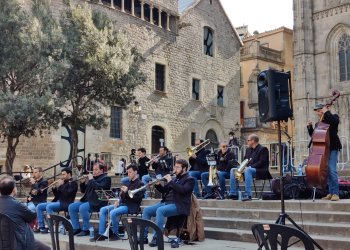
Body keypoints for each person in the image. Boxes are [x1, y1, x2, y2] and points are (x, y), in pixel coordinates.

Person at [142, 159, 194, 247]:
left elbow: (183, 190)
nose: (175, 169)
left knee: (160, 210)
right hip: (165, 203)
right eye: (175, 167)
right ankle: (143, 237)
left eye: (178, 167)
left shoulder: (190, 179)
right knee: (147, 210)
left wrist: (170, 181)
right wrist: (157, 184)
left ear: (184, 168)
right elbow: (163, 190)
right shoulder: (175, 179)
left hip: (179, 205)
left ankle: (157, 237)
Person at [92, 164, 144, 241]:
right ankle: (102, 234)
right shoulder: (127, 183)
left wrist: (126, 192)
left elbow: (137, 199)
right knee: (103, 209)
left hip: (131, 206)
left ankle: (115, 234)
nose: (128, 174)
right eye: (128, 172)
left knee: (113, 212)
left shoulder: (140, 184)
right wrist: (119, 199)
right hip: (122, 204)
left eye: (130, 172)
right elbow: (123, 196)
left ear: (135, 172)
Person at [0, 176, 50, 250]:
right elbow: (32, 217)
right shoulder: (17, 204)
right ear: (14, 190)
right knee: (46, 248)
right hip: (19, 241)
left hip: (2, 242)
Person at [307, 103, 342, 201]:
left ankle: (336, 193)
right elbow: (314, 136)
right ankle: (330, 193)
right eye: (317, 111)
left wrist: (327, 112)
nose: (318, 113)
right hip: (323, 149)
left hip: (333, 147)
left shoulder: (333, 117)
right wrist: (309, 127)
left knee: (332, 169)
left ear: (323, 109)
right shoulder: (318, 123)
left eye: (319, 110)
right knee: (327, 171)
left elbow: (335, 122)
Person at [68, 163, 111, 236]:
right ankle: (76, 228)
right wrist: (82, 183)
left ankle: (86, 229)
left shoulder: (106, 178)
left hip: (98, 201)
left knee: (83, 208)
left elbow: (100, 188)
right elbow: (83, 191)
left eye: (96, 170)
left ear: (101, 170)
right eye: (93, 169)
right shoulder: (93, 179)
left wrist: (91, 179)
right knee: (71, 207)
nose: (94, 171)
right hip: (87, 200)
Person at [36, 168, 78, 233]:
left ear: (69, 174)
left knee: (49, 207)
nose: (62, 176)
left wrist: (61, 185)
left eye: (64, 174)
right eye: (62, 174)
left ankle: (52, 227)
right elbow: (58, 195)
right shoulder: (64, 183)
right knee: (39, 206)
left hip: (66, 203)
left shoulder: (73, 183)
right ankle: (42, 227)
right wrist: (54, 189)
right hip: (59, 202)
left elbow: (68, 194)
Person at [230, 134, 269, 200]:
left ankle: (248, 194)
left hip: (260, 170)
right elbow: (245, 160)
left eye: (248, 140)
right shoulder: (248, 150)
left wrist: (250, 167)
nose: (247, 142)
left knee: (248, 170)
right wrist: (241, 166)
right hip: (248, 170)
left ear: (253, 141)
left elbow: (262, 162)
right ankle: (234, 193)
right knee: (233, 170)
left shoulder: (263, 149)